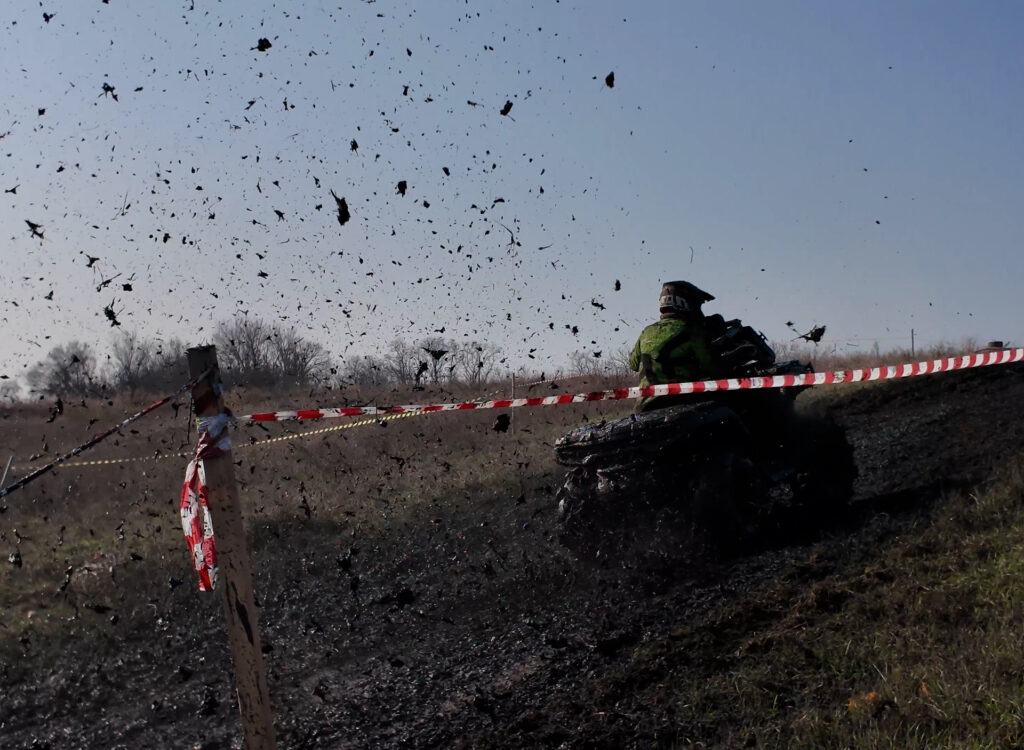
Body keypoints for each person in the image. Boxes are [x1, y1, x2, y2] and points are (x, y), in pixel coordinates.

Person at [628, 280, 727, 412]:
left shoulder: (647, 332)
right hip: (680, 403)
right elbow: (714, 368)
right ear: (685, 304)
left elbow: (633, 364)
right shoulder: (692, 332)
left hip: (644, 406)